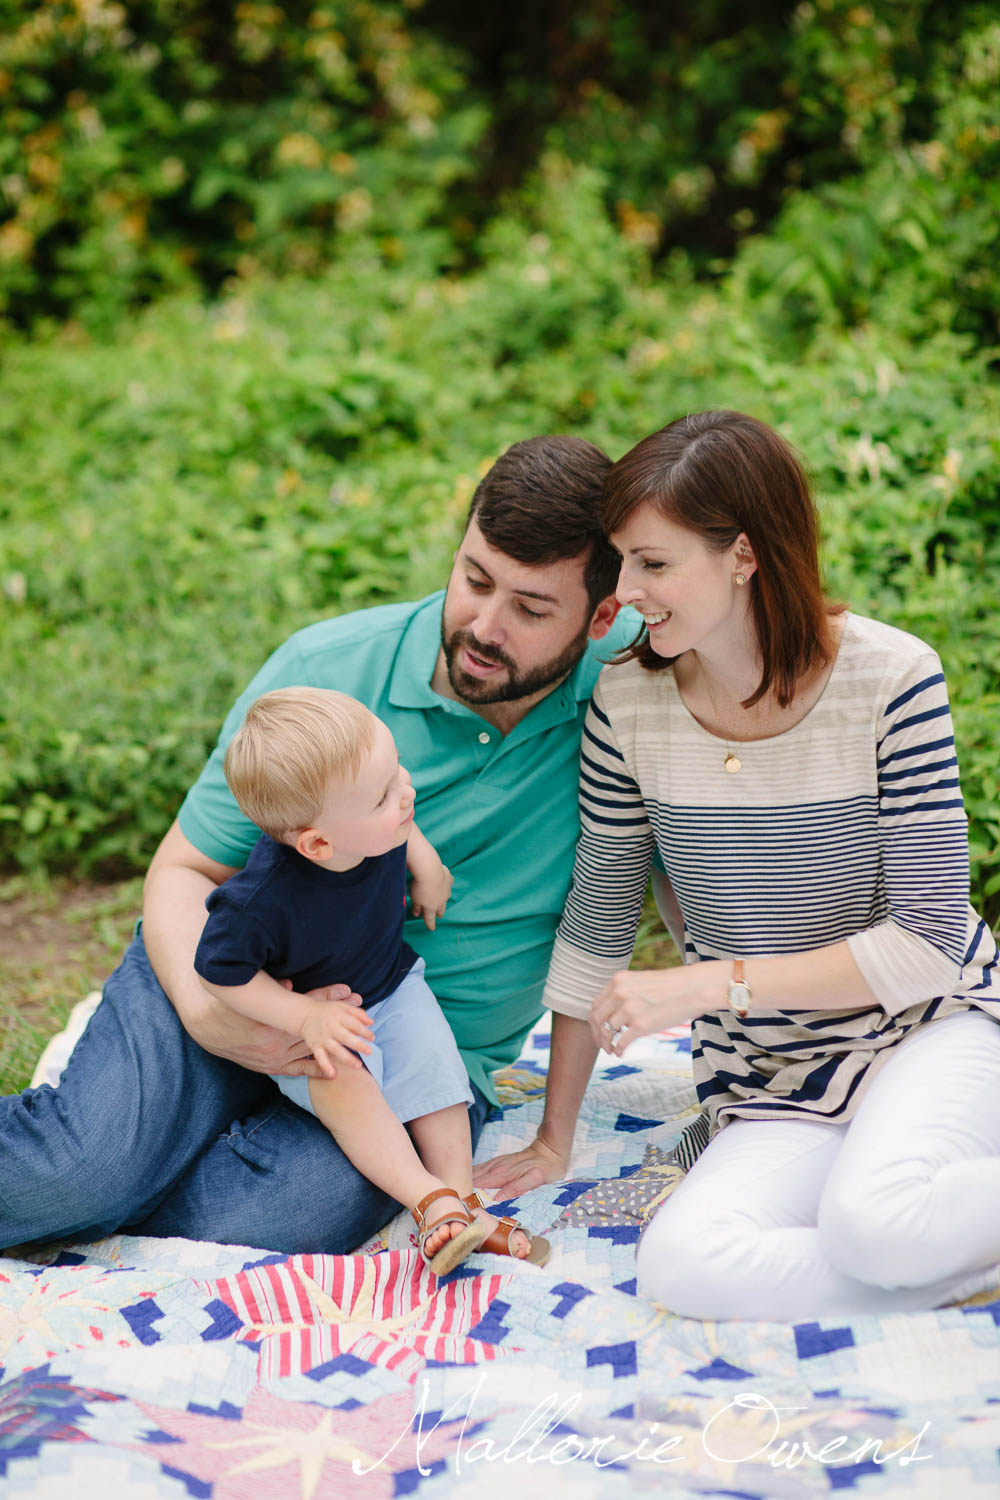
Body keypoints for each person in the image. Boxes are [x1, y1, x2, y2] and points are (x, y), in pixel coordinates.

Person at [0, 434, 626, 1256]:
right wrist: (210, 1013)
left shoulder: (637, 704)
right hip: (238, 979)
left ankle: (140, 1155)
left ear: (604, 616)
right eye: (474, 579)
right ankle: (109, 1154)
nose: (483, 624)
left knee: (257, 1226)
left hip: (408, 1048)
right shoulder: (329, 671)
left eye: (532, 609)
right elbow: (187, 868)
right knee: (77, 1176)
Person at [479, 409, 1000, 1321]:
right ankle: (941, 1269)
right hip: (773, 1074)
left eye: (654, 562)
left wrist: (710, 985)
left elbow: (928, 945)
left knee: (873, 1222)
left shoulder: (890, 677)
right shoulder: (627, 702)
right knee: (687, 1268)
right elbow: (600, 913)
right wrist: (555, 1137)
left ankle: (908, 1242)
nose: (625, 592)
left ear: (744, 557)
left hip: (929, 1029)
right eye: (622, 560)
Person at [193, 686, 546, 1271]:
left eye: (396, 769)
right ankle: (427, 1200)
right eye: (384, 793)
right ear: (319, 843)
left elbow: (401, 826)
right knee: (342, 1079)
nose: (405, 790)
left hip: (391, 982)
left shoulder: (374, 823)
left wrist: (427, 867)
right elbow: (218, 974)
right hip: (319, 1023)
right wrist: (304, 1017)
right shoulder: (260, 900)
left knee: (436, 1063)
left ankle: (462, 1200)